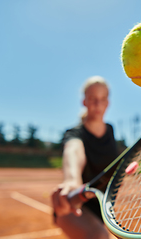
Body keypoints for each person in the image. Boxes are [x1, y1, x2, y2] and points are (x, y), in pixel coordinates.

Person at [51, 76, 119, 239]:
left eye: (102, 99)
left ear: (108, 103)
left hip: (102, 208)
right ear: (84, 102)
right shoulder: (74, 133)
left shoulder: (110, 130)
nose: (98, 104)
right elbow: (73, 151)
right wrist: (72, 180)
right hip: (72, 205)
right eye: (92, 99)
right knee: (99, 236)